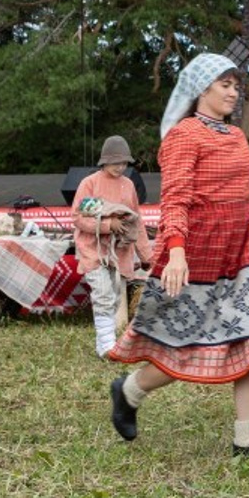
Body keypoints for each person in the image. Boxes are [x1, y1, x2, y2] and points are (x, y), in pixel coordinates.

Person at [107, 54, 249, 455]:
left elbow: (241, 197)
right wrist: (176, 253)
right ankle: (128, 392)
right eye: (225, 85)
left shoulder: (234, 137)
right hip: (194, 257)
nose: (234, 92)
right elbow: (176, 199)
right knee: (183, 347)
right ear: (202, 89)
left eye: (236, 85)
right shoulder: (184, 135)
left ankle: (248, 442)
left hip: (238, 255)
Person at [71, 135, 151, 357]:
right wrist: (107, 224)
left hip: (120, 251)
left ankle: (107, 342)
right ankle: (106, 346)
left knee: (115, 296)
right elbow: (77, 217)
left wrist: (146, 254)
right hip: (93, 249)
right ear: (104, 161)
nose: (120, 167)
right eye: (116, 162)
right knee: (103, 293)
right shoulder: (90, 183)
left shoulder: (128, 186)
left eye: (124, 162)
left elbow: (138, 222)